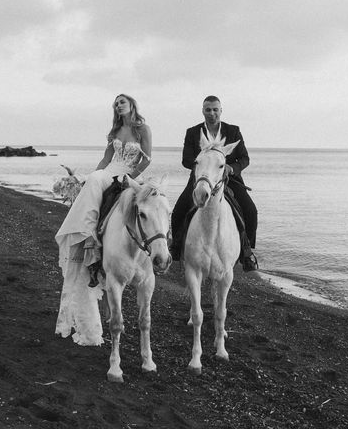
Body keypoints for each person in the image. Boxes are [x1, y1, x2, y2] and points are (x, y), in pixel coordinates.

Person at [55, 94, 152, 345]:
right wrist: (94, 174)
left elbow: (147, 159)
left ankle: (160, 242)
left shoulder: (142, 129)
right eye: (116, 103)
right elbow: (106, 160)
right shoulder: (115, 131)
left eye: (123, 102)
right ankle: (89, 233)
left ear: (131, 105)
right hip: (109, 173)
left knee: (154, 207)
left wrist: (128, 176)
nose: (119, 105)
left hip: (128, 175)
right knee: (97, 179)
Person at [170, 95, 259, 271]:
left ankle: (247, 252)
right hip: (201, 179)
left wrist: (230, 168)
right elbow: (186, 160)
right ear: (203, 111)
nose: (212, 113)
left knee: (250, 210)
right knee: (178, 211)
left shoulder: (233, 130)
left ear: (221, 110)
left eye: (215, 109)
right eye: (208, 109)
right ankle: (176, 247)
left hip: (228, 179)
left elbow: (244, 158)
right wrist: (205, 161)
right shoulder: (192, 132)